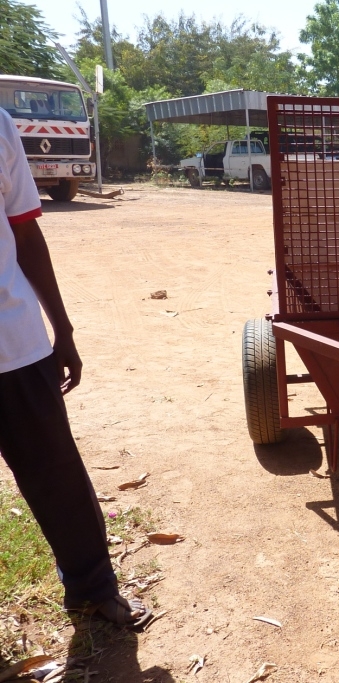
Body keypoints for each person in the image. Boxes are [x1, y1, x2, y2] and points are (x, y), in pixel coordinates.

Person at [0, 107, 151, 628]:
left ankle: (91, 590)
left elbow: (24, 232)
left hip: (14, 343)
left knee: (57, 476)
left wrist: (61, 329)